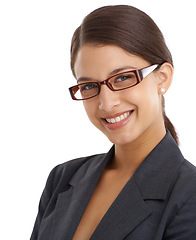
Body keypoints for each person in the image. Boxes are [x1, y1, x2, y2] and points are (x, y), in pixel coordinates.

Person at [30, 5, 196, 240]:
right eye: (89, 86)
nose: (106, 104)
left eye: (123, 78)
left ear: (163, 78)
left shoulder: (188, 194)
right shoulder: (62, 178)